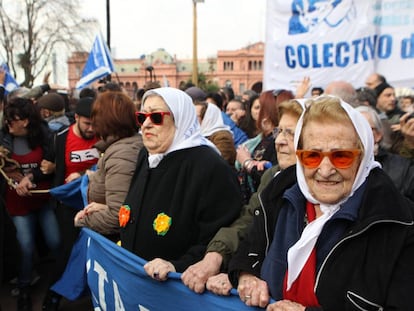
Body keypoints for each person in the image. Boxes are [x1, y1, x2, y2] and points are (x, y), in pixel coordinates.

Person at [228, 95, 414, 310]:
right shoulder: (279, 194)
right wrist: (246, 275)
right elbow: (249, 249)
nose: (325, 171)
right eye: (312, 156)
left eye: (341, 156)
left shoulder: (399, 224)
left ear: (362, 157)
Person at [182, 99, 304, 295]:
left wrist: (248, 273)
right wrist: (217, 257)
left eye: (291, 133)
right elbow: (249, 222)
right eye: (279, 131)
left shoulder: (328, 191)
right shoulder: (273, 176)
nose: (279, 140)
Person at [120, 87, 242, 280]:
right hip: (137, 280)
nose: (147, 125)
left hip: (179, 288)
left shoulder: (209, 165)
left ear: (179, 119)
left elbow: (218, 236)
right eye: (142, 117)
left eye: (157, 117)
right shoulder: (146, 155)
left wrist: (177, 266)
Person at [0, 97, 60, 311]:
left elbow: (50, 165)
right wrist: (15, 180)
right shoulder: (3, 138)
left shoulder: (46, 136)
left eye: (11, 120)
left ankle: (56, 287)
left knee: (55, 241)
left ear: (24, 121)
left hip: (43, 201)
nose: (7, 124)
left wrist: (33, 176)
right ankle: (24, 288)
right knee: (25, 246)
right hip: (18, 205)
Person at [41, 96, 100, 311]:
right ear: (75, 118)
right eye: (87, 124)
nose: (92, 129)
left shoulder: (105, 136)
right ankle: (53, 296)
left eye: (95, 123)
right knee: (68, 251)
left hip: (96, 203)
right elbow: (46, 165)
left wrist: (83, 174)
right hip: (68, 205)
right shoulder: (60, 138)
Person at [73, 91, 143, 235]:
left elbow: (118, 217)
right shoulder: (122, 148)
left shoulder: (121, 156)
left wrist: (82, 220)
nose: (92, 127)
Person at [236, 89, 294, 204]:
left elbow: (274, 178)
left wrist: (247, 162)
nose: (257, 112)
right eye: (255, 107)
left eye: (261, 107)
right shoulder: (264, 138)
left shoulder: (277, 141)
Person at [356, 105, 414, 201]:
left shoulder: (403, 167)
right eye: (353, 128)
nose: (358, 134)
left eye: (365, 128)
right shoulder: (334, 164)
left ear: (378, 135)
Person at [194, 101, 236, 167]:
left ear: (207, 118)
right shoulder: (195, 135)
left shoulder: (222, 137)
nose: (193, 120)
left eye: (196, 116)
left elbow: (220, 162)